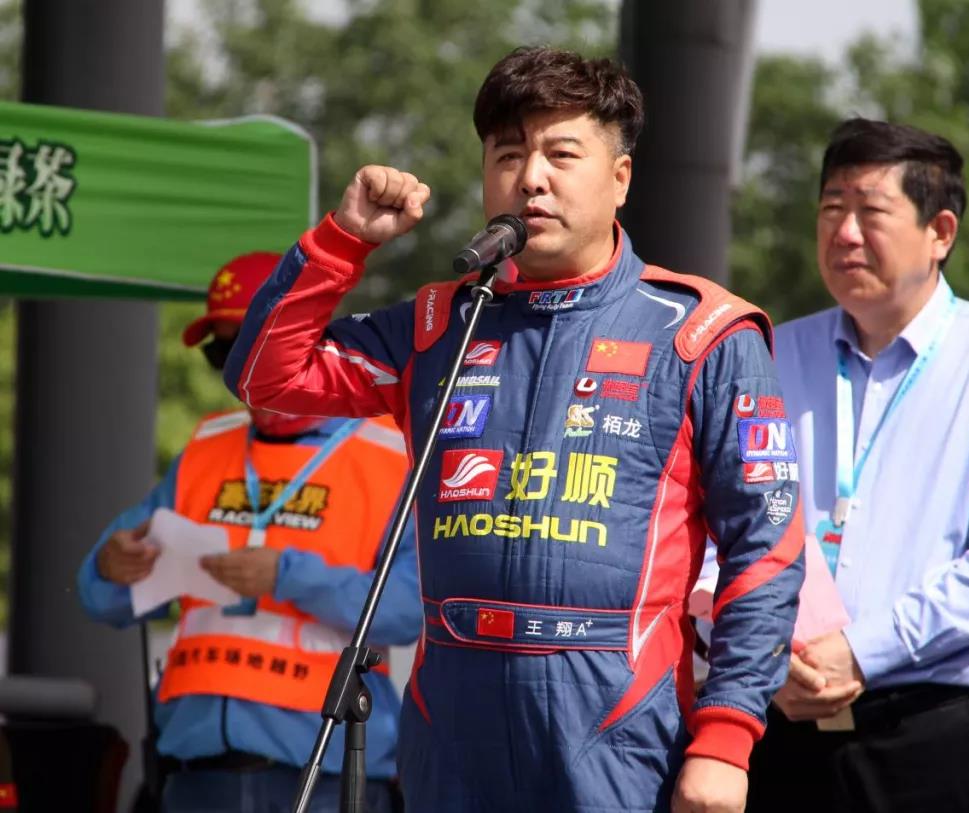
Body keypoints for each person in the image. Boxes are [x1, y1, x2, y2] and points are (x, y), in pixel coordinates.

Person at [224, 47, 805, 813]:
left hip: (620, 736)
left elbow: (767, 548)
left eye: (561, 154)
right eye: (508, 155)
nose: (531, 178)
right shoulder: (438, 325)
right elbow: (265, 376)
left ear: (620, 178)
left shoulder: (702, 333)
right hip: (450, 739)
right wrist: (343, 239)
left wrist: (727, 737)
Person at [746, 118, 969, 813]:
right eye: (831, 209)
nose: (845, 233)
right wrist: (763, 655)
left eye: (871, 212)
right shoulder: (768, 354)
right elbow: (724, 530)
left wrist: (864, 649)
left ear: (940, 231)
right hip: (779, 720)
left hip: (931, 733)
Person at [78, 251, 422, 813]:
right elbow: (99, 597)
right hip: (196, 774)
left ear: (310, 339)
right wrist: (109, 566)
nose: (243, 371)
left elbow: (409, 611)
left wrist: (286, 575)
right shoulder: (207, 446)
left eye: (256, 345)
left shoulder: (391, 453)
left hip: (324, 774)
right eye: (225, 352)